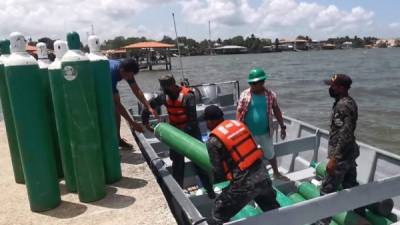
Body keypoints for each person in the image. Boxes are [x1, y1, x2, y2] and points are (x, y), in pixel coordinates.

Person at [142, 75, 215, 198]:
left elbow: (192, 121)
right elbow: (150, 106)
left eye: (166, 88)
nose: (164, 91)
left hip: (191, 132)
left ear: (172, 85)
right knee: (177, 164)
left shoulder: (188, 96)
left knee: (199, 163)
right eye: (163, 88)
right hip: (176, 132)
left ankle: (210, 191)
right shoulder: (164, 96)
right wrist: (145, 121)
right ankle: (179, 194)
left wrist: (180, 135)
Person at [204, 105, 280, 225]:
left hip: (243, 185)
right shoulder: (239, 126)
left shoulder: (213, 141)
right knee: (273, 212)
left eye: (206, 121)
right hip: (263, 177)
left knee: (218, 214)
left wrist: (213, 188)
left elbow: (218, 172)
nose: (206, 125)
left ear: (211, 121)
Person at [318, 74, 362, 224]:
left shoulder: (343, 105)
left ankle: (322, 222)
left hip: (342, 156)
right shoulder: (344, 102)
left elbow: (346, 134)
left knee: (326, 191)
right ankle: (360, 214)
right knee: (351, 186)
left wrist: (334, 159)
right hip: (348, 153)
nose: (330, 88)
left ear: (341, 88)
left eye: (333, 86)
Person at [237, 68, 287, 180]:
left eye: (254, 83)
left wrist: (283, 127)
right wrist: (239, 129)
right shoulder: (245, 94)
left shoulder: (270, 95)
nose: (252, 85)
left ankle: (276, 173)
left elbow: (277, 110)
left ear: (262, 82)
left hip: (265, 132)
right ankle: (250, 177)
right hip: (249, 133)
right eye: (250, 83)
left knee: (270, 154)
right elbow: (239, 111)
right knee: (248, 156)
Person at [109, 58, 158, 149]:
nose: (130, 78)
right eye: (128, 76)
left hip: (111, 80)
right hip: (97, 81)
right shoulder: (111, 74)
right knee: (112, 108)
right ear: (122, 71)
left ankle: (118, 139)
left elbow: (136, 89)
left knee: (116, 111)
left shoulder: (126, 68)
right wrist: (132, 123)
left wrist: (148, 106)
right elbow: (117, 104)